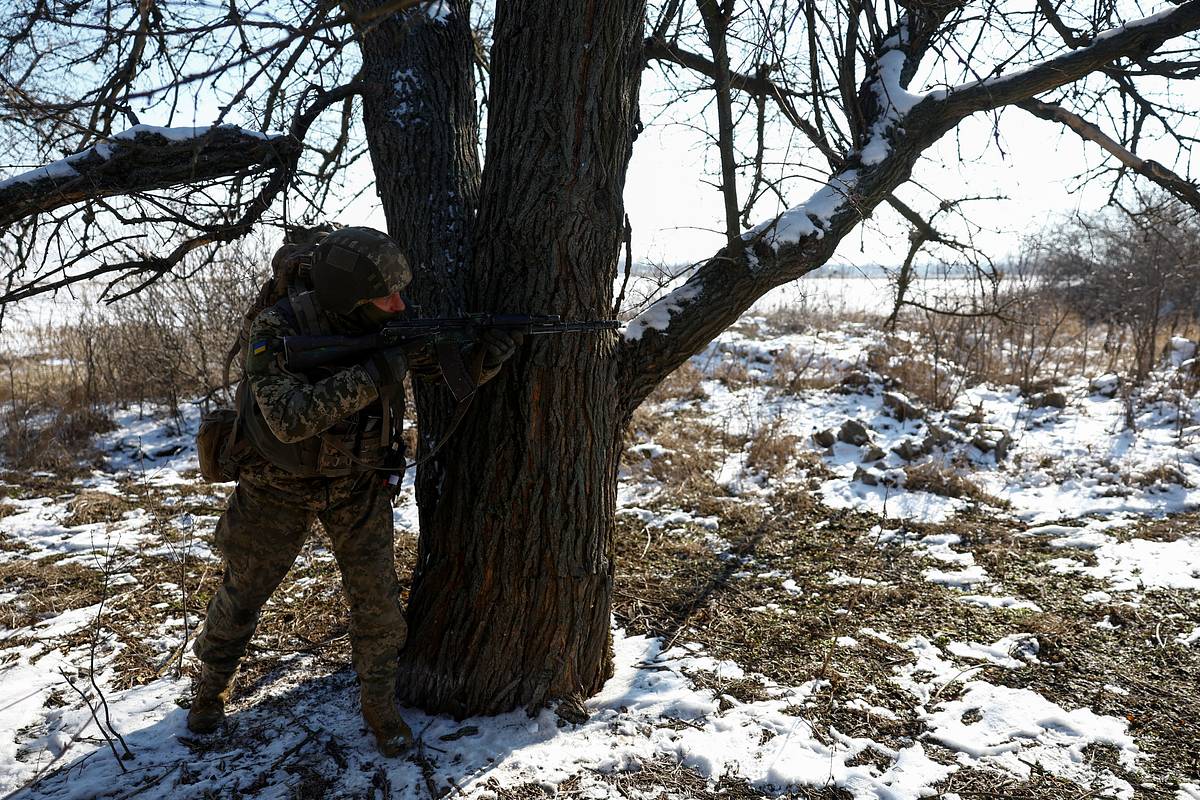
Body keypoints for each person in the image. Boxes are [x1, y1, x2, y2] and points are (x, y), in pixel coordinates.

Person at [186, 227, 517, 756]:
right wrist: (379, 370)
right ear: (349, 299)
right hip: (277, 483)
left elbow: (439, 371)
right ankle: (210, 687)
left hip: (357, 482)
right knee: (244, 591)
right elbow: (290, 419)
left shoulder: (389, 321)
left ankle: (379, 704)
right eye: (386, 297)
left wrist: (483, 359)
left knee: (377, 603)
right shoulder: (277, 327)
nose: (399, 304)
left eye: (399, 294)